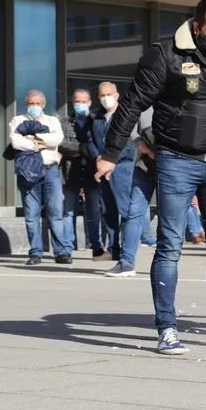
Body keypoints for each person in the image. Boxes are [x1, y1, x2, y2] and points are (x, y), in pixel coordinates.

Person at [96, 0, 206, 355]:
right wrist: (109, 153)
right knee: (169, 247)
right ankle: (167, 328)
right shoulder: (166, 55)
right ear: (197, 27)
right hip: (176, 160)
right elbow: (133, 103)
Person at [9, 90, 73, 266]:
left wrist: (32, 138)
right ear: (26, 104)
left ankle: (61, 252)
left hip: (50, 170)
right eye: (31, 103)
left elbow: (57, 139)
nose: (34, 107)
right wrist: (39, 144)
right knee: (31, 215)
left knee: (55, 213)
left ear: (43, 105)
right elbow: (16, 142)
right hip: (27, 173)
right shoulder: (18, 120)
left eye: (37, 104)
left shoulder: (52, 121)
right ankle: (35, 252)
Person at [106, 108, 156, 278]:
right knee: (133, 213)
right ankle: (126, 262)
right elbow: (129, 127)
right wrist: (142, 146)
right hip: (145, 166)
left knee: (171, 216)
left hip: (171, 167)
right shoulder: (145, 105)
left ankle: (166, 264)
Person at [89, 82, 136, 263]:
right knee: (107, 210)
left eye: (109, 94)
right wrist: (99, 158)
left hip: (121, 167)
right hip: (102, 168)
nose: (106, 98)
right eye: (102, 95)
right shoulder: (98, 118)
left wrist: (111, 160)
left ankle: (127, 250)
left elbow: (128, 143)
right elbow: (91, 141)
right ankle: (113, 249)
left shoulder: (125, 116)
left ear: (117, 94)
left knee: (124, 210)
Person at [58, 89, 105, 259]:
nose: (80, 104)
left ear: (90, 102)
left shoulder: (96, 121)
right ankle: (66, 248)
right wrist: (82, 148)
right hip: (70, 170)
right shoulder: (64, 122)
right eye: (77, 101)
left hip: (92, 170)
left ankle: (97, 247)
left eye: (83, 101)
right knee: (68, 210)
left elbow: (100, 142)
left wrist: (84, 150)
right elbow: (61, 143)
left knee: (94, 210)